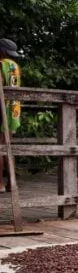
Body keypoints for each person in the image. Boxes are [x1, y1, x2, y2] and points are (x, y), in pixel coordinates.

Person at [0, 38, 22, 192]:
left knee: (0, 148)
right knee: (8, 147)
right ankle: (12, 183)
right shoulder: (15, 66)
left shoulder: (1, 65)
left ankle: (0, 183)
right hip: (14, 111)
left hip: (2, 109)